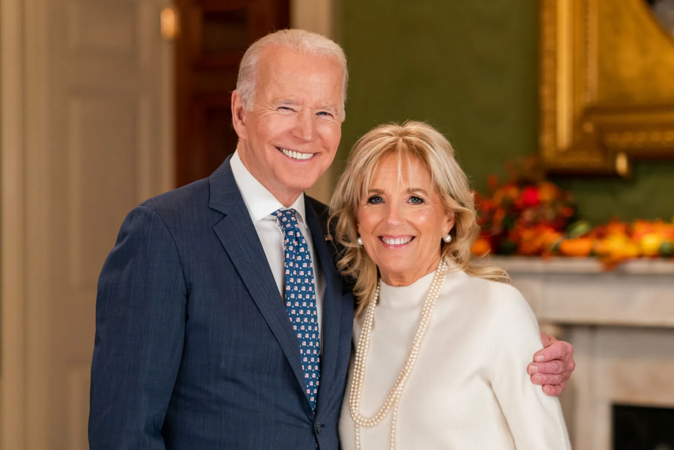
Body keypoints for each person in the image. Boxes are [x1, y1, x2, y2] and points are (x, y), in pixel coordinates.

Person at [89, 30, 575, 450]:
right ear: (240, 112)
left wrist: (525, 352)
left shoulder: (339, 241)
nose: (306, 131)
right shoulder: (164, 233)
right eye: (286, 107)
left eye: (324, 111)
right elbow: (124, 431)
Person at [332, 121, 571, 449]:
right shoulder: (348, 320)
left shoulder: (496, 308)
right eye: (375, 199)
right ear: (357, 219)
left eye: (415, 199)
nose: (393, 219)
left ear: (449, 217)